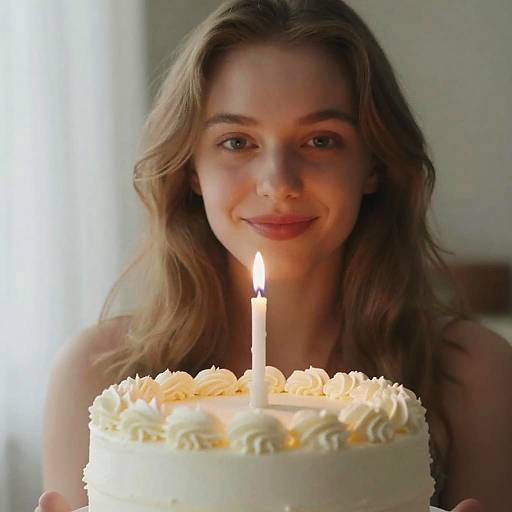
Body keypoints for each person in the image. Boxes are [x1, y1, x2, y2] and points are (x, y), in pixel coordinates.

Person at [36, 1, 511, 511]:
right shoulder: (98, 376)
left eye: (321, 140)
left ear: (374, 164)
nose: (279, 183)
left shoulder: (474, 375)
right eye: (237, 141)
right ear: (190, 169)